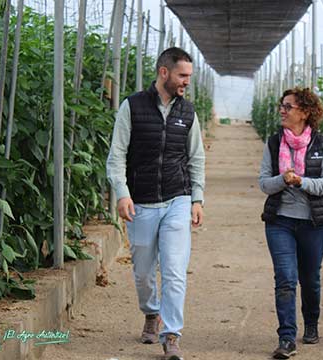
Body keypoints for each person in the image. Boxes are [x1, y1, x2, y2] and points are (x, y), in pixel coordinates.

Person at [106, 47, 205, 360]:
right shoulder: (132, 107)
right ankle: (151, 312)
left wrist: (197, 197)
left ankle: (171, 334)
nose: (187, 82)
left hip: (178, 198)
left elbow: (196, 157)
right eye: (182, 75)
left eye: (189, 76)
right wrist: (122, 192)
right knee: (144, 272)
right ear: (164, 72)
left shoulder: (187, 112)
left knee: (175, 271)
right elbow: (117, 155)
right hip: (142, 202)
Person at [258, 87, 323, 359]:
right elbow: (264, 183)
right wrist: (283, 180)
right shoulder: (273, 142)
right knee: (286, 279)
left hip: (313, 224)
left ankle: (311, 322)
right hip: (280, 221)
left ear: (304, 112)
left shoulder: (321, 143)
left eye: (288, 106)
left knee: (310, 279)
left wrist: (301, 181)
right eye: (282, 105)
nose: (282, 110)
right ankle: (287, 338)